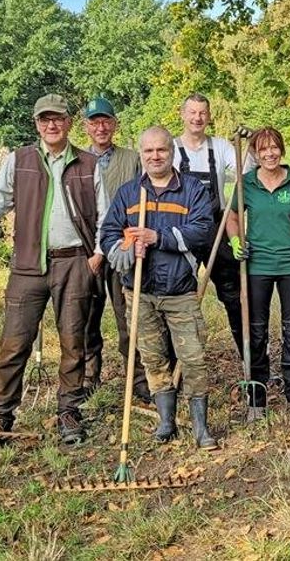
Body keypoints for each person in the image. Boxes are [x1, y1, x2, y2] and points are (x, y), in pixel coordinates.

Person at [0, 94, 108, 451]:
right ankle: (1, 418)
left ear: (69, 122)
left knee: (74, 342)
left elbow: (106, 214)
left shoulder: (89, 163)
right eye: (44, 119)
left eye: (57, 118)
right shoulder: (20, 160)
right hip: (28, 264)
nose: (51, 125)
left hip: (75, 261)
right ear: (36, 124)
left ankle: (69, 412)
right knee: (14, 342)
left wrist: (99, 254)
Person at [99, 126, 219, 448]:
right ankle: (166, 421)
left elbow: (202, 231)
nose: (155, 156)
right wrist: (124, 250)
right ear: (141, 154)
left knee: (193, 358)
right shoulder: (128, 193)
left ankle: (200, 428)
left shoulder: (192, 190)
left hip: (180, 291)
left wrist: (158, 238)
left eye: (161, 150)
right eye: (148, 151)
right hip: (140, 291)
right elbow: (108, 233)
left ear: (172, 152)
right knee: (153, 359)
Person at [227, 127, 290, 420]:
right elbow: (233, 217)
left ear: (282, 149)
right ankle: (257, 397)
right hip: (257, 267)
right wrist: (236, 240)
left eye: (274, 148)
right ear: (255, 153)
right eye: (262, 149)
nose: (269, 154)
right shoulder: (247, 183)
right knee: (256, 331)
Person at [80, 96, 149, 403]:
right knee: (86, 315)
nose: (101, 127)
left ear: (115, 124)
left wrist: (131, 243)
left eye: (106, 121)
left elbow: (144, 202)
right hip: (88, 251)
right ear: (85, 127)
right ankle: (88, 375)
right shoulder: (77, 161)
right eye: (95, 122)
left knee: (127, 316)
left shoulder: (132, 159)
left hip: (124, 249)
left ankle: (136, 376)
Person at [173, 93, 243, 352]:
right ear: (183, 114)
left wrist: (249, 145)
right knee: (178, 295)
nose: (197, 118)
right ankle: (180, 357)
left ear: (209, 116)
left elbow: (245, 170)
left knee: (233, 293)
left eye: (202, 112)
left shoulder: (222, 147)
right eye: (192, 112)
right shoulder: (171, 149)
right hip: (183, 229)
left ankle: (247, 355)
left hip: (217, 227)